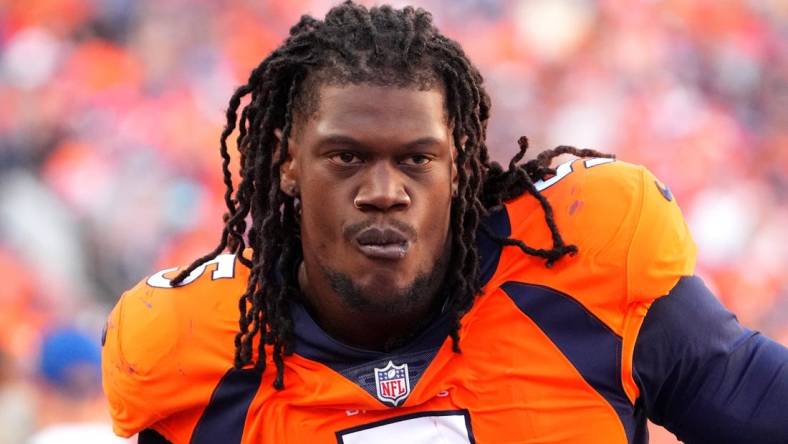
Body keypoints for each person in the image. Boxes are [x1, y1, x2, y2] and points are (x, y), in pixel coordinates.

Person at [101, 2, 788, 443]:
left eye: (417, 160)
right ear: (285, 163)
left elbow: (756, 402)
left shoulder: (577, 267)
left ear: (460, 166)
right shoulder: (197, 355)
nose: (383, 192)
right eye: (345, 156)